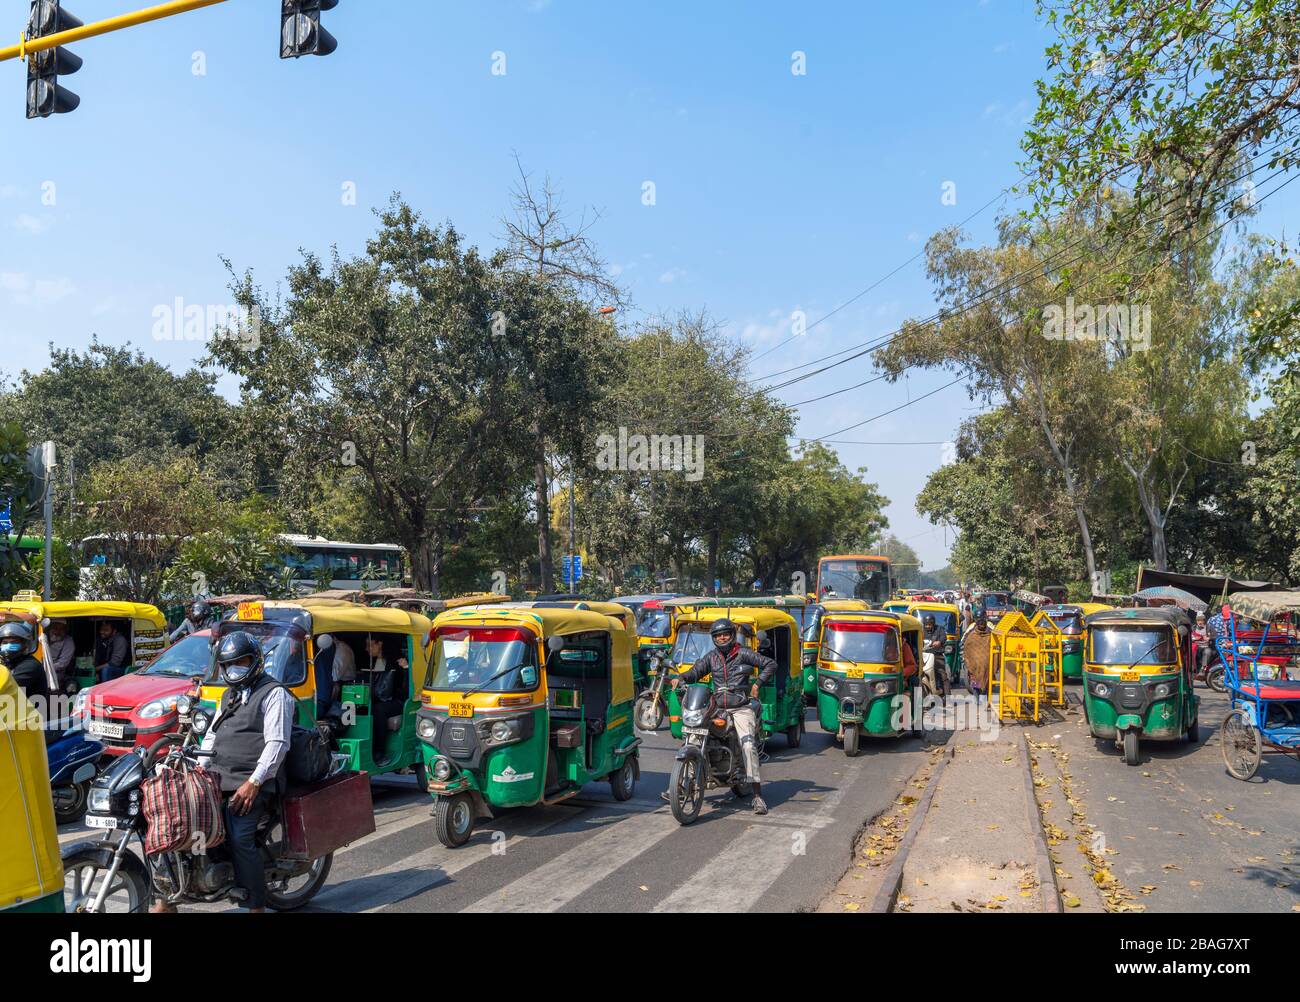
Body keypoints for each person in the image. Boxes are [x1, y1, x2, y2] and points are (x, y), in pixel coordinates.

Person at [154, 631, 293, 914]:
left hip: (254, 781)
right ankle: (167, 900)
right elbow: (211, 737)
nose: (234, 668)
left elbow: (278, 743)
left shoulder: (275, 693)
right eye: (229, 664)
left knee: (239, 836)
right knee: (178, 818)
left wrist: (254, 782)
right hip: (219, 776)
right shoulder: (229, 695)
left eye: (241, 661)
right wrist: (196, 772)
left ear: (255, 661)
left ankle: (255, 906)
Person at [670, 619, 776, 815]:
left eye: (725, 634)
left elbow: (769, 664)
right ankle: (684, 784)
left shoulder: (743, 653)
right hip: (718, 706)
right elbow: (695, 671)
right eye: (718, 635)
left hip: (740, 707)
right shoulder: (712, 658)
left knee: (748, 744)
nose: (722, 637)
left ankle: (757, 796)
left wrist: (757, 683)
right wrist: (681, 678)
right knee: (693, 735)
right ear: (714, 638)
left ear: (732, 635)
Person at [365, 635, 408, 758]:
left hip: (398, 700)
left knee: (378, 710)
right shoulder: (372, 661)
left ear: (380, 644)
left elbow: (404, 688)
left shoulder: (396, 662)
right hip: (380, 698)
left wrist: (406, 668)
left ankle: (379, 750)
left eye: (370, 644)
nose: (367, 648)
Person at [0, 620, 48, 706]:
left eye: (14, 642)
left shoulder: (30, 666)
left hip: (32, 716)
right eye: (5, 643)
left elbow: (5, 688)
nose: (8, 646)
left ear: (25, 645)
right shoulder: (8, 663)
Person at [962, 612, 992, 699]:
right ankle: (976, 696)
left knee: (987, 677)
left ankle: (984, 695)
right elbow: (965, 642)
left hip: (987, 660)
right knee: (974, 676)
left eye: (982, 618)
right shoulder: (971, 632)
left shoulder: (990, 630)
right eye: (979, 619)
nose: (981, 624)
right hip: (974, 660)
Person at [45, 619, 76, 693]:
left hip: (55, 673)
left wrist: (45, 668)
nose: (57, 632)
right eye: (55, 628)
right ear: (50, 628)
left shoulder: (68, 642)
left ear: (65, 630)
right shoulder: (43, 637)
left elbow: (62, 664)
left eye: (61, 629)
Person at [922, 614, 946, 696]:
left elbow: (943, 637)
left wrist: (939, 642)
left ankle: (948, 698)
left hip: (937, 656)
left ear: (933, 624)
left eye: (929, 624)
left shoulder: (939, 629)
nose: (928, 626)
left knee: (943, 676)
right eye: (926, 624)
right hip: (923, 657)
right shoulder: (921, 630)